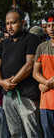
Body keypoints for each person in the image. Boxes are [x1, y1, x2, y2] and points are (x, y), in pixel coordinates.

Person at [0, 8, 42, 138]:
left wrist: (11, 82)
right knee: (15, 133)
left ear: (22, 22)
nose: (10, 26)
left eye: (13, 23)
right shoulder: (3, 43)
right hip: (8, 96)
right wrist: (2, 82)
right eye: (7, 23)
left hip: (27, 96)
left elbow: (29, 65)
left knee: (32, 133)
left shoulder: (32, 39)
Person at [33, 10, 54, 138]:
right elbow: (35, 73)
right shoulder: (41, 47)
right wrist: (46, 83)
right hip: (46, 101)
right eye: (49, 26)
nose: (51, 29)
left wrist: (47, 84)